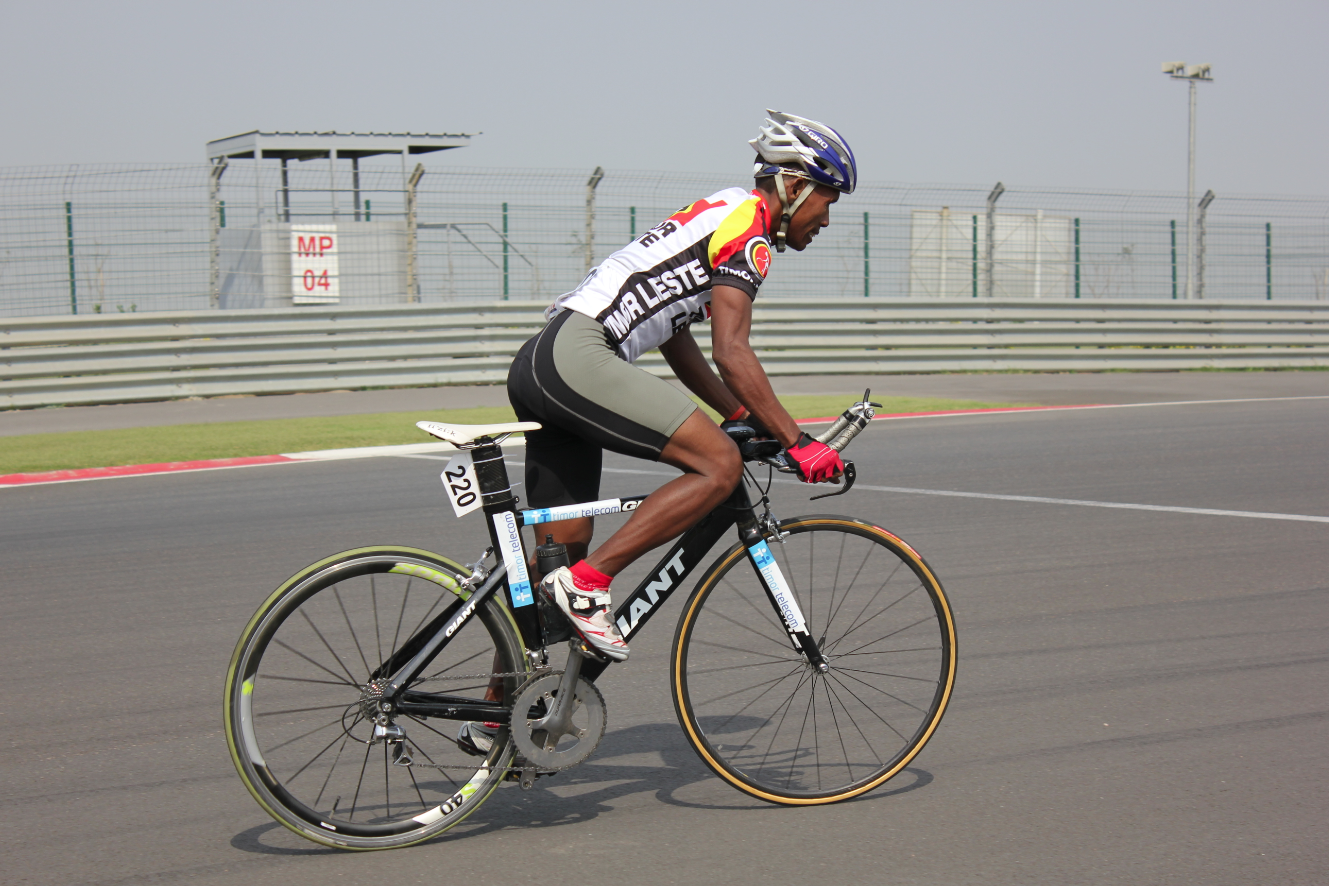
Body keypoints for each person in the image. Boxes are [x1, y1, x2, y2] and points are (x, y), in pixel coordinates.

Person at [458, 111, 856, 755]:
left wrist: (743, 416)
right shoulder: (747, 230)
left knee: (553, 559)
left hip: (545, 360)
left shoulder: (719, 211)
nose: (826, 220)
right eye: (827, 202)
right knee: (719, 468)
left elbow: (678, 341)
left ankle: (492, 716)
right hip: (578, 356)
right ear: (792, 186)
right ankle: (592, 584)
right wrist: (798, 440)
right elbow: (733, 350)